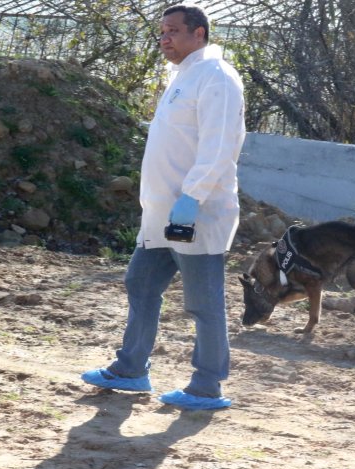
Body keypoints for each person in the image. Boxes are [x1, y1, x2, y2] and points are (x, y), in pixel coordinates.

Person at [82, 4, 246, 411]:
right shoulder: (182, 77)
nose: (164, 39)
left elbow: (219, 146)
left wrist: (193, 196)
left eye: (172, 31)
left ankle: (207, 386)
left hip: (197, 214)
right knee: (140, 284)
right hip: (161, 215)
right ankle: (130, 368)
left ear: (199, 33)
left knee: (203, 303)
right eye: (161, 32)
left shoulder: (217, 77)